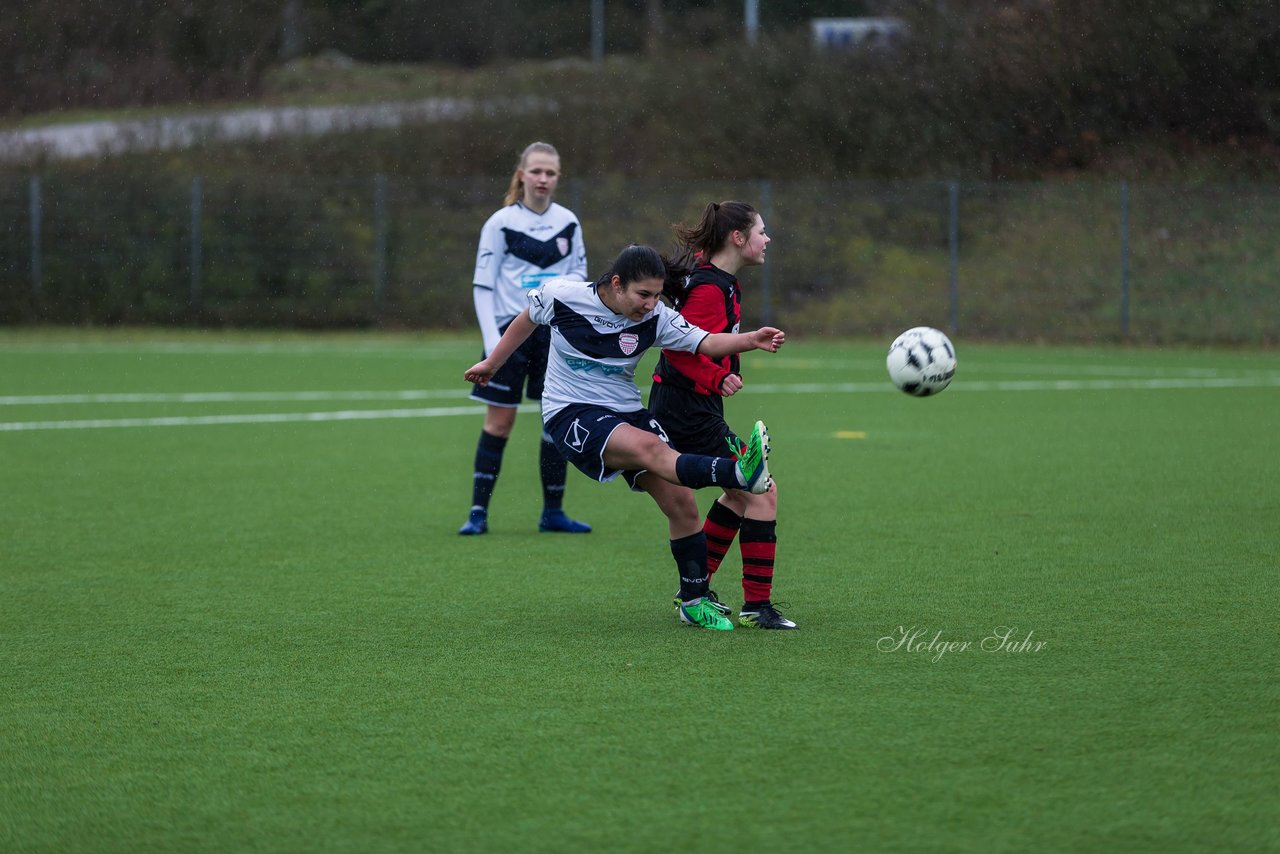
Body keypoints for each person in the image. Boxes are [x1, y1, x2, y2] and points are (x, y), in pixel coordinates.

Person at [464, 244, 785, 630]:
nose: (650, 304)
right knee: (651, 449)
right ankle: (737, 474)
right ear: (616, 284)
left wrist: (751, 339)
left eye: (656, 295)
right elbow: (526, 318)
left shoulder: (657, 317)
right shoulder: (562, 295)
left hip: (625, 410)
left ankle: (694, 599)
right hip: (571, 412)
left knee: (682, 503)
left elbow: (705, 342)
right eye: (643, 295)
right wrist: (492, 362)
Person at [648, 201, 797, 629]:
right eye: (761, 231)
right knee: (761, 490)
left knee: (737, 493)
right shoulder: (710, 287)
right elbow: (678, 348)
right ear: (738, 238)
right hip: (688, 409)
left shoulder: (715, 278)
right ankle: (757, 606)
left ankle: (696, 589)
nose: (767, 239)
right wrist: (717, 377)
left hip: (690, 405)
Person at [459, 141, 592, 536]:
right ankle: (478, 513)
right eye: (536, 171)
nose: (543, 179)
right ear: (522, 174)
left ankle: (553, 512)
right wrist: (491, 343)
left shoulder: (568, 221)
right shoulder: (500, 223)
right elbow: (483, 286)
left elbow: (580, 284)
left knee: (555, 422)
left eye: (550, 173)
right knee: (499, 423)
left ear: (557, 178)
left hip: (553, 334)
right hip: (507, 334)